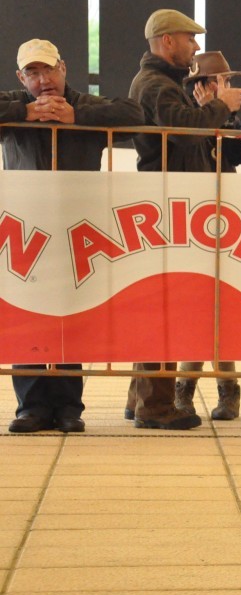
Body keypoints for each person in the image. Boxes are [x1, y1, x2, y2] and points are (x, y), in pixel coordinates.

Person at [1, 38, 142, 433]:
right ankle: (31, 406)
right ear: (21, 78)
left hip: (76, 228)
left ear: (63, 68)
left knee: (70, 317)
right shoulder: (15, 104)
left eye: (48, 69)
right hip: (26, 229)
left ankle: (67, 406)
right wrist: (24, 112)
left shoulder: (84, 104)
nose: (43, 80)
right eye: (33, 73)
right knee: (28, 315)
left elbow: (135, 113)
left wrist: (76, 116)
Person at [127, 8, 241, 430]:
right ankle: (154, 405)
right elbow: (182, 129)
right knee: (164, 306)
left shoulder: (161, 84)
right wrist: (219, 106)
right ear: (168, 41)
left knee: (166, 304)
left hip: (173, 202)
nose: (196, 47)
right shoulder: (156, 86)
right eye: (190, 39)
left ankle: (143, 398)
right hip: (167, 205)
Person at [174, 51, 241, 422]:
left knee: (221, 312)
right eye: (221, 81)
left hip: (223, 223)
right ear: (202, 86)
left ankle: (227, 389)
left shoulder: (223, 116)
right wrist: (212, 115)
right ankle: (185, 388)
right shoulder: (187, 117)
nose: (228, 87)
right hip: (190, 221)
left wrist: (225, 116)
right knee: (196, 311)